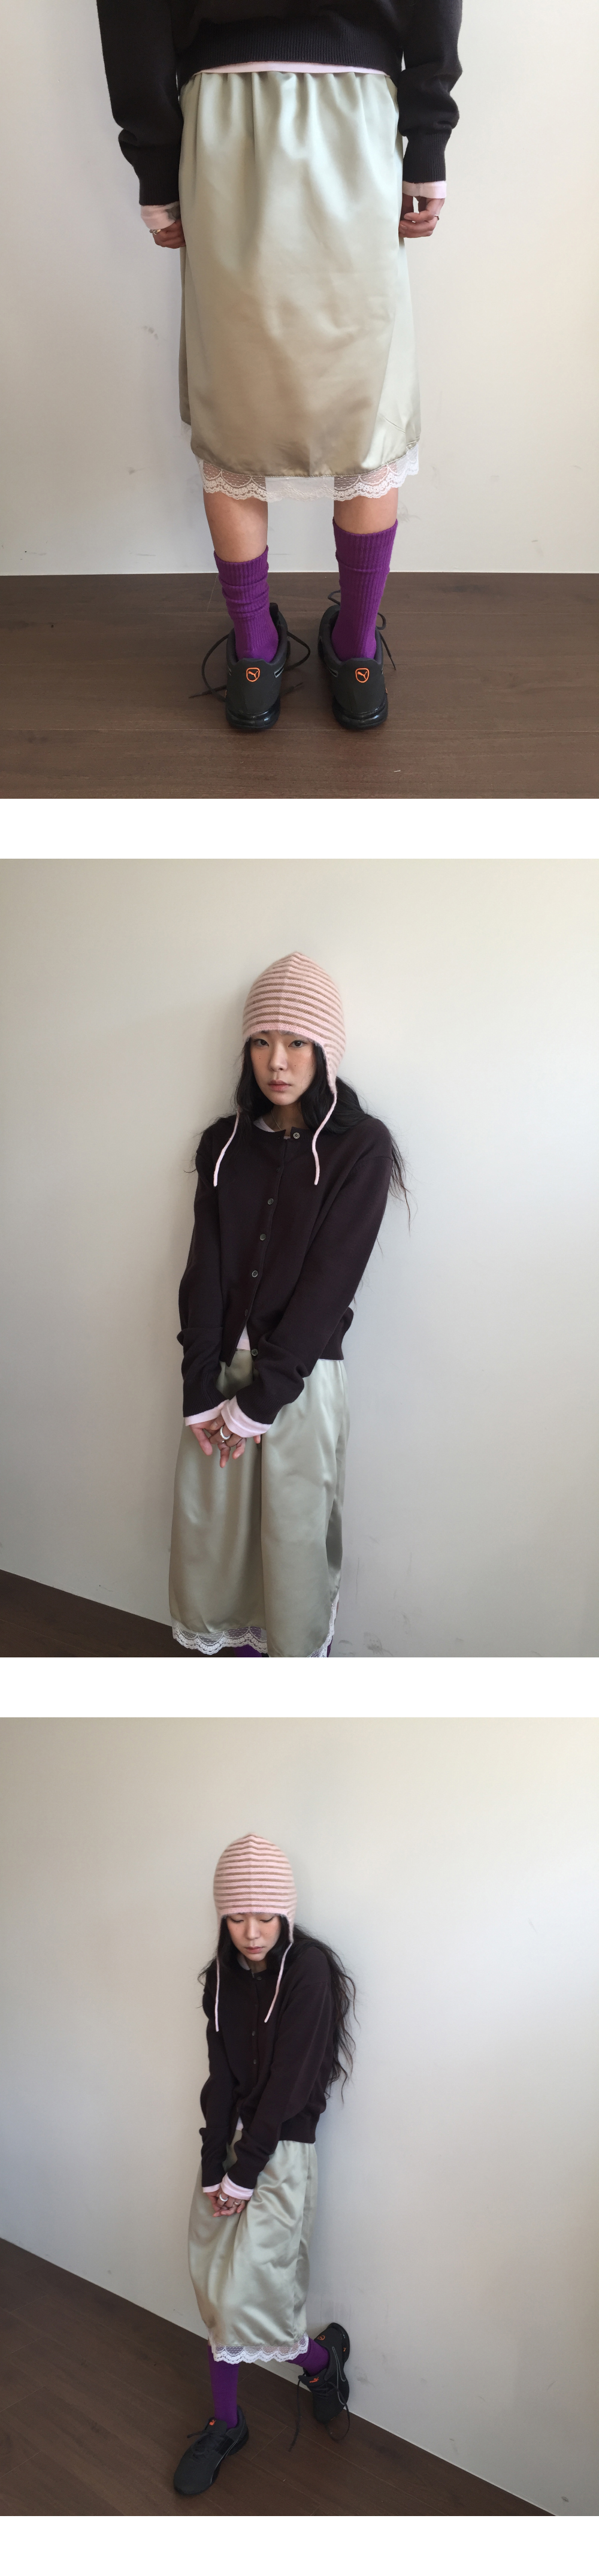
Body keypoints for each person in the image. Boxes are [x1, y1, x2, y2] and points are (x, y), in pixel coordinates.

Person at [96, 4, 462, 730]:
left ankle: (255, 658)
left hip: (224, 119)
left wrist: (156, 169)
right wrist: (426, 142)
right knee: (367, 404)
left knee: (236, 400)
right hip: (358, 112)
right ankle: (355, 656)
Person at [169, 951, 409, 1657]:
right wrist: (200, 1388)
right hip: (219, 1376)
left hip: (300, 1381)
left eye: (297, 1041)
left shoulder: (361, 1148)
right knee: (212, 1550)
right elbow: (204, 1270)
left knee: (295, 1551)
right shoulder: (223, 1144)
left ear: (325, 1049)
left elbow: (330, 1285)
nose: (277, 1061)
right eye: (262, 1041)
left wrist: (263, 1399)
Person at [174, 1832, 355, 2496]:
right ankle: (236, 2415)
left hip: (282, 2150)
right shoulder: (221, 1979)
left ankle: (317, 2362)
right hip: (235, 2154)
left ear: (286, 1912)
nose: (251, 1932)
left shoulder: (309, 1970)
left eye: (265, 1916)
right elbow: (221, 2078)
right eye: (236, 1917)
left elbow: (289, 2084)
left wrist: (245, 2173)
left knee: (253, 2297)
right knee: (216, 2287)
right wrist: (211, 2165)